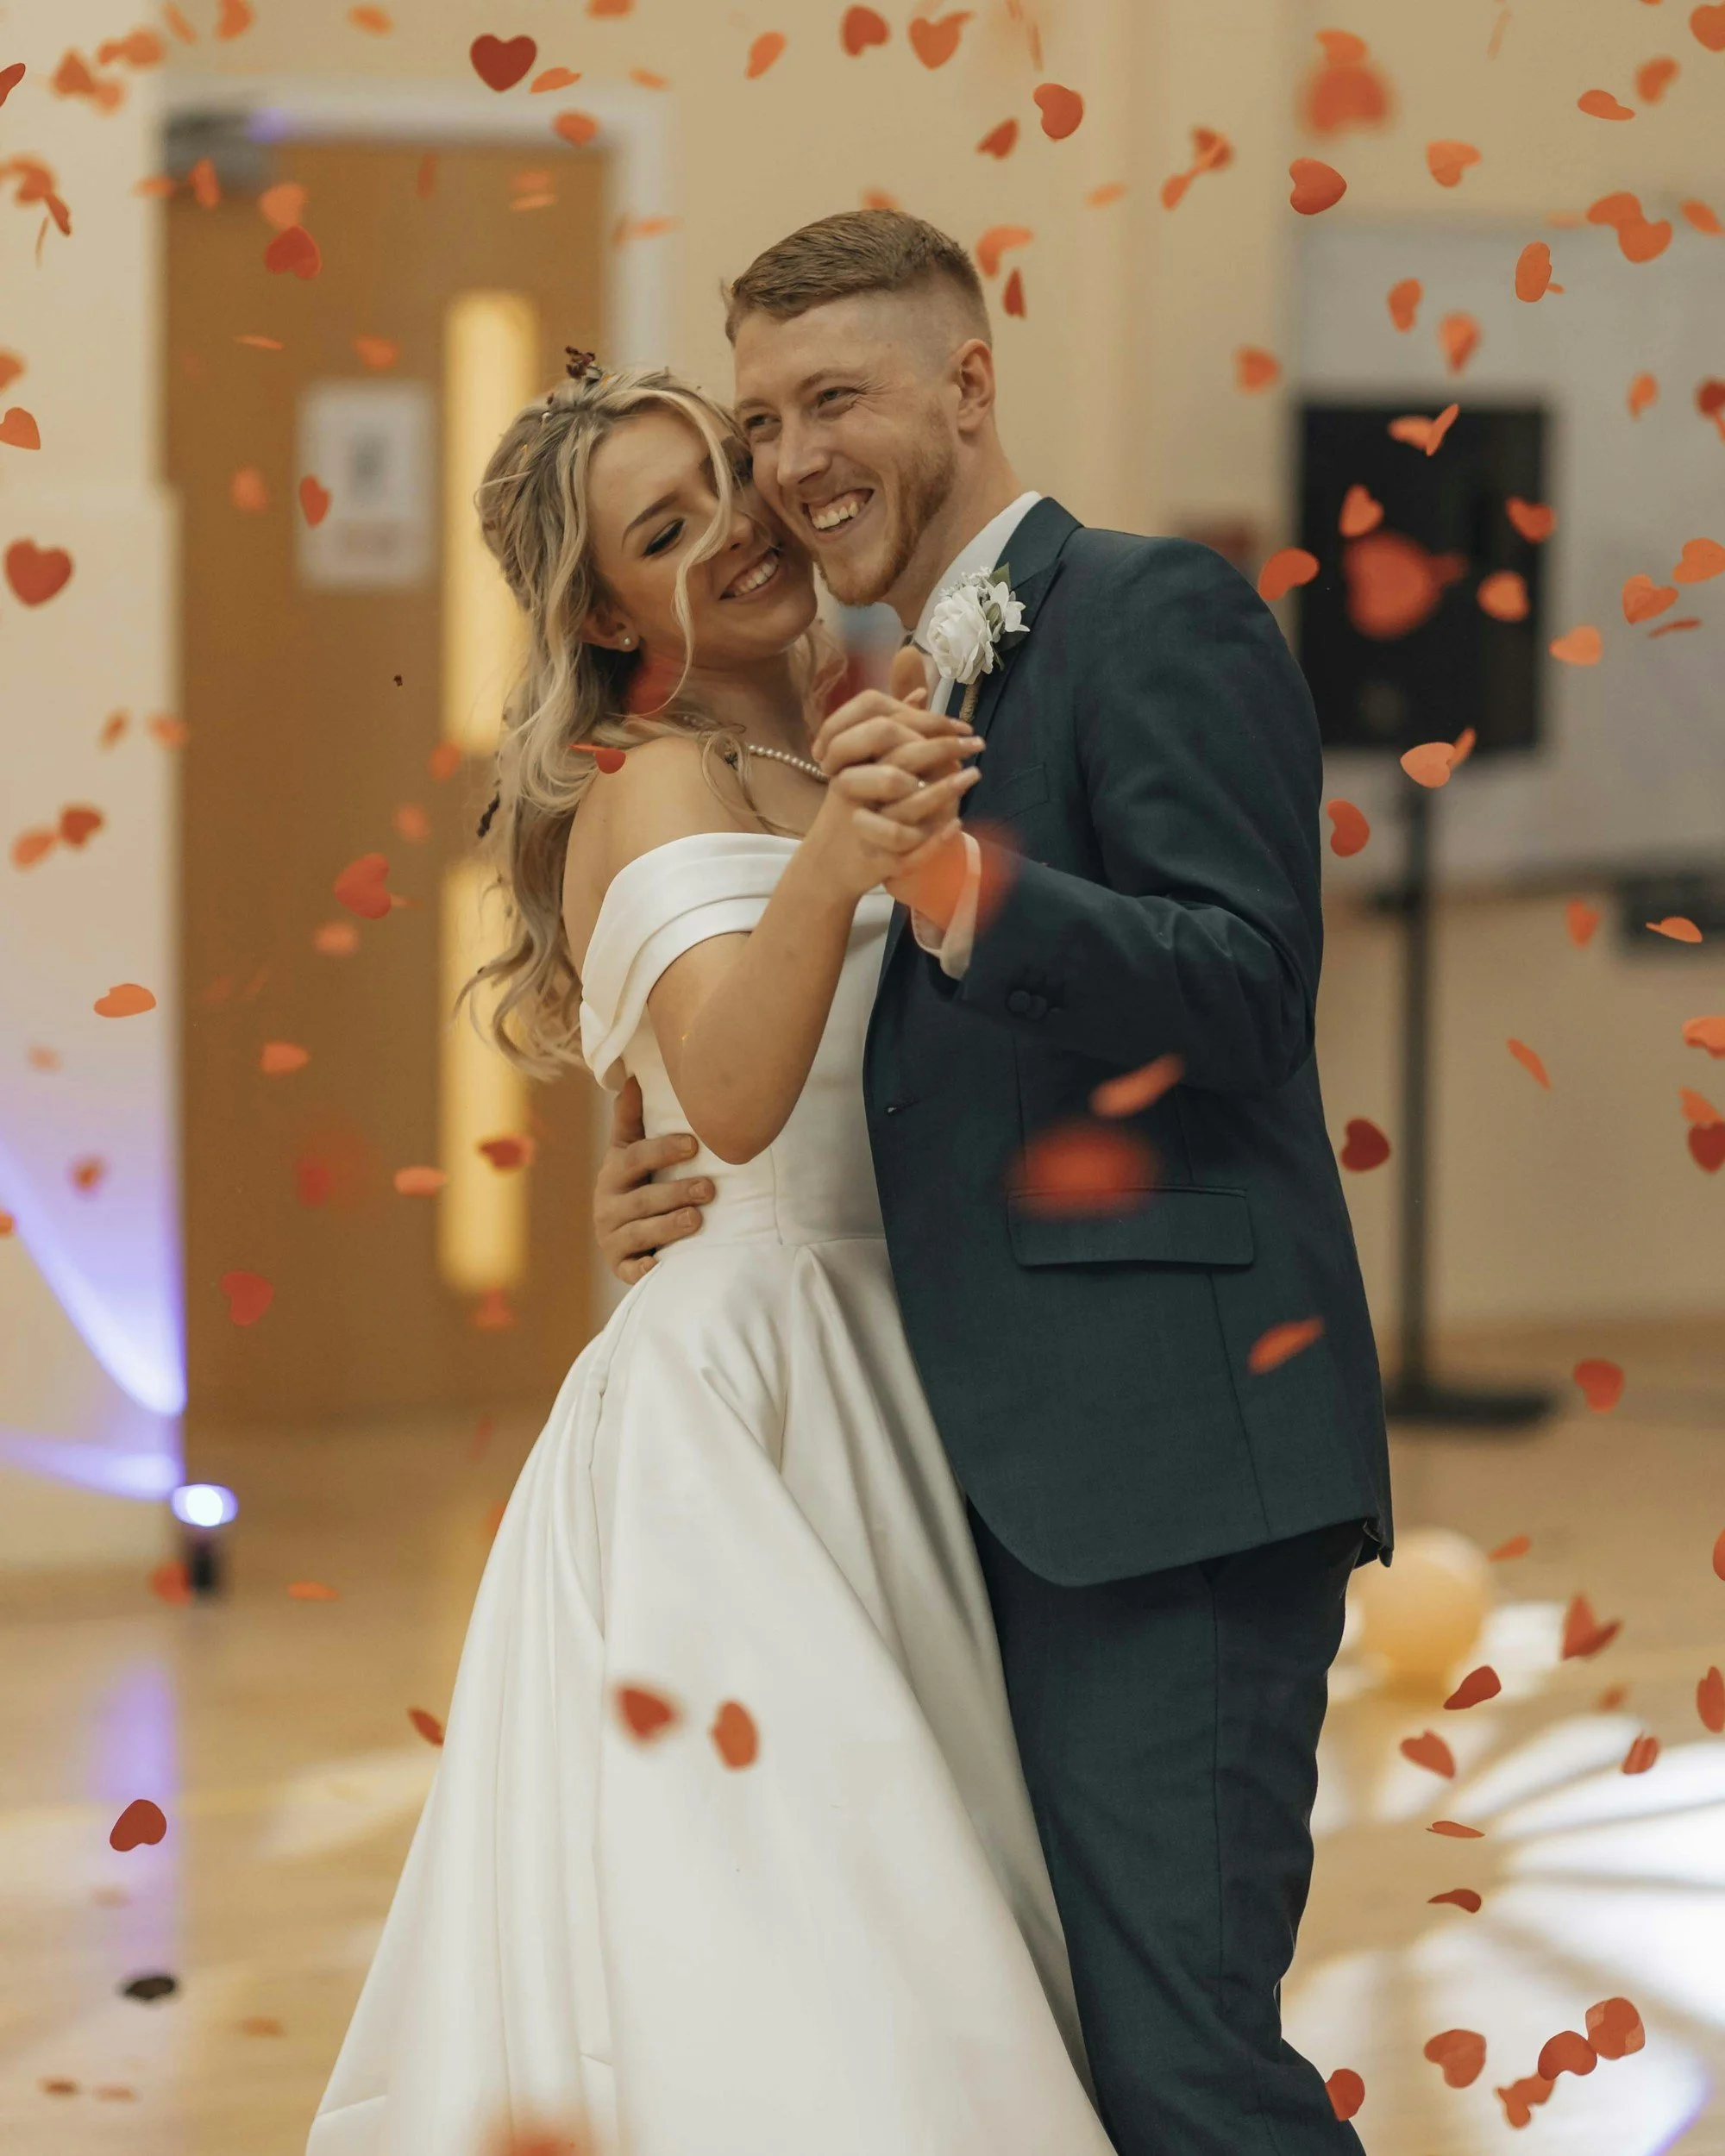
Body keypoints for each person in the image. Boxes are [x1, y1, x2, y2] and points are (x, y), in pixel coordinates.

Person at [593, 210, 1394, 2156]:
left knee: (1184, 2069)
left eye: (836, 396)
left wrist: (958, 890)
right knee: (1038, 2057)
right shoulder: (864, 706)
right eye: (766, 415)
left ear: (969, 381)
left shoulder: (1152, 612)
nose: (792, 460)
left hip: (1165, 1473)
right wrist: (667, 1199)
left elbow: (1247, 986)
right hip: (955, 1494)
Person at [307, 357, 1115, 2156]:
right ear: (603, 610)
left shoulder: (875, 706)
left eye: (729, 482)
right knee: (811, 1911)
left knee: (943, 1860)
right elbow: (737, 1099)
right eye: (664, 533)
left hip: (922, 1346)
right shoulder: (654, 787)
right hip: (753, 1401)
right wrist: (837, 853)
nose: (738, 531)